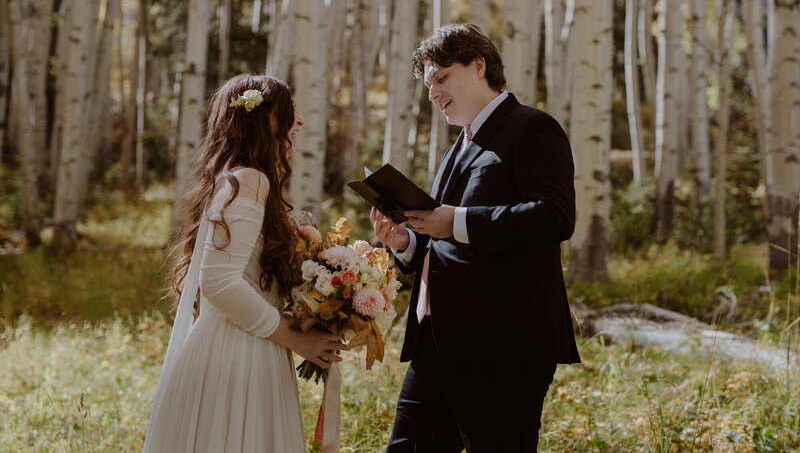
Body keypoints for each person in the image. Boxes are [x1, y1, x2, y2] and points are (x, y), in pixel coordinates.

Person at [372, 23, 580, 452]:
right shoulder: (456, 149)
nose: (432, 94)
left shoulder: (532, 128)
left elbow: (554, 216)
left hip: (504, 348)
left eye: (441, 78)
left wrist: (458, 221)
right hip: (436, 344)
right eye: (428, 85)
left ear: (479, 66)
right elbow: (445, 238)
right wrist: (404, 244)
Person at [143, 74, 347, 453]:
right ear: (265, 120)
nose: (298, 121)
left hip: (248, 342)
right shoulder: (249, 180)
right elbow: (219, 282)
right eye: (289, 111)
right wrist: (297, 338)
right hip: (241, 354)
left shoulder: (237, 178)